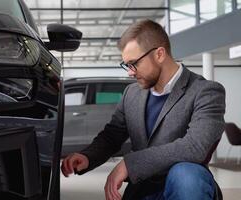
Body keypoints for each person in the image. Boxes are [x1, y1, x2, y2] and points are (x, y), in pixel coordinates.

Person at [61, 19, 226, 200]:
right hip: (142, 188)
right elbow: (112, 135)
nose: (130, 72)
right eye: (126, 65)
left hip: (185, 187)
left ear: (160, 54)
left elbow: (195, 147)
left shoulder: (205, 91)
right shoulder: (131, 93)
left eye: (134, 63)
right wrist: (87, 157)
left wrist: (129, 164)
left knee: (186, 174)